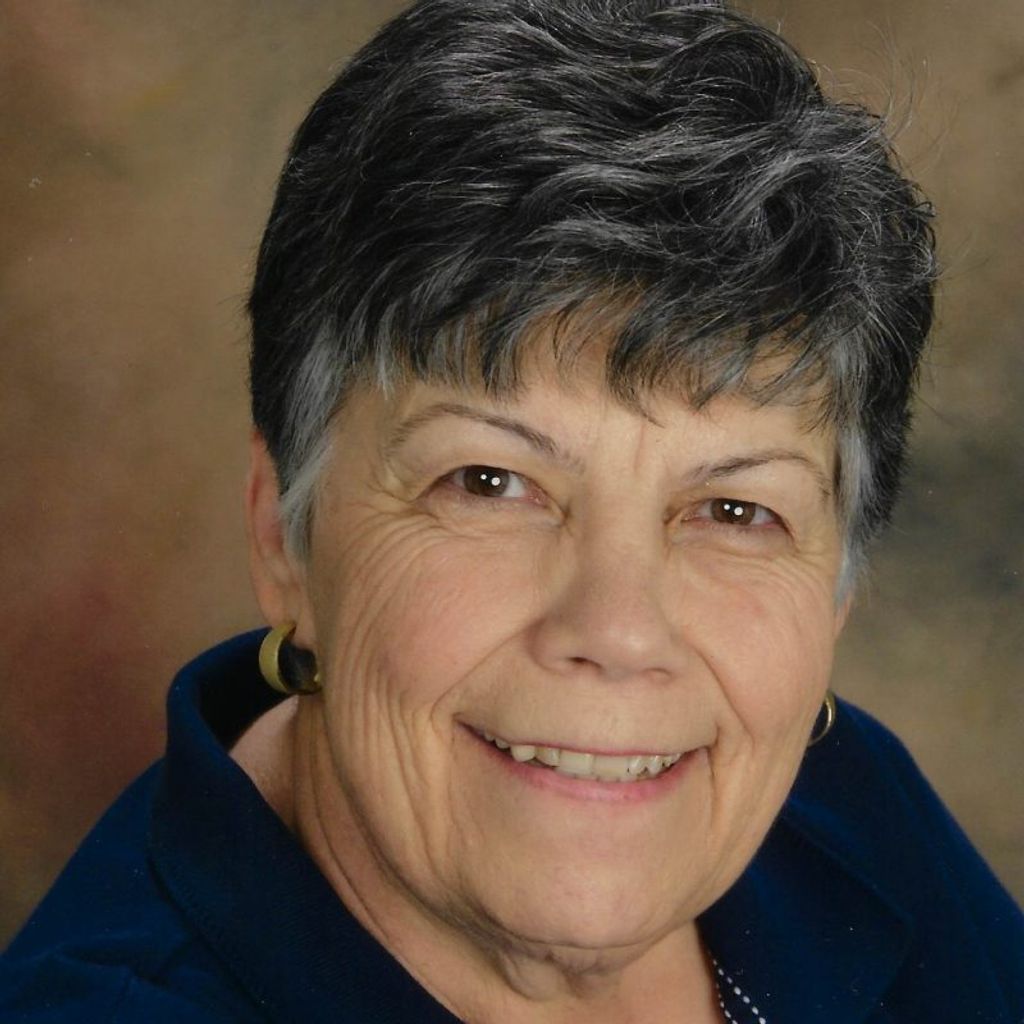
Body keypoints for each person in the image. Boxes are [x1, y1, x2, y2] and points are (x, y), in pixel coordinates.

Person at [1, 0, 1021, 1020]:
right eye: (489, 483)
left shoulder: (847, 804)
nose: (619, 633)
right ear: (283, 536)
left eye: (734, 508)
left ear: (837, 585)